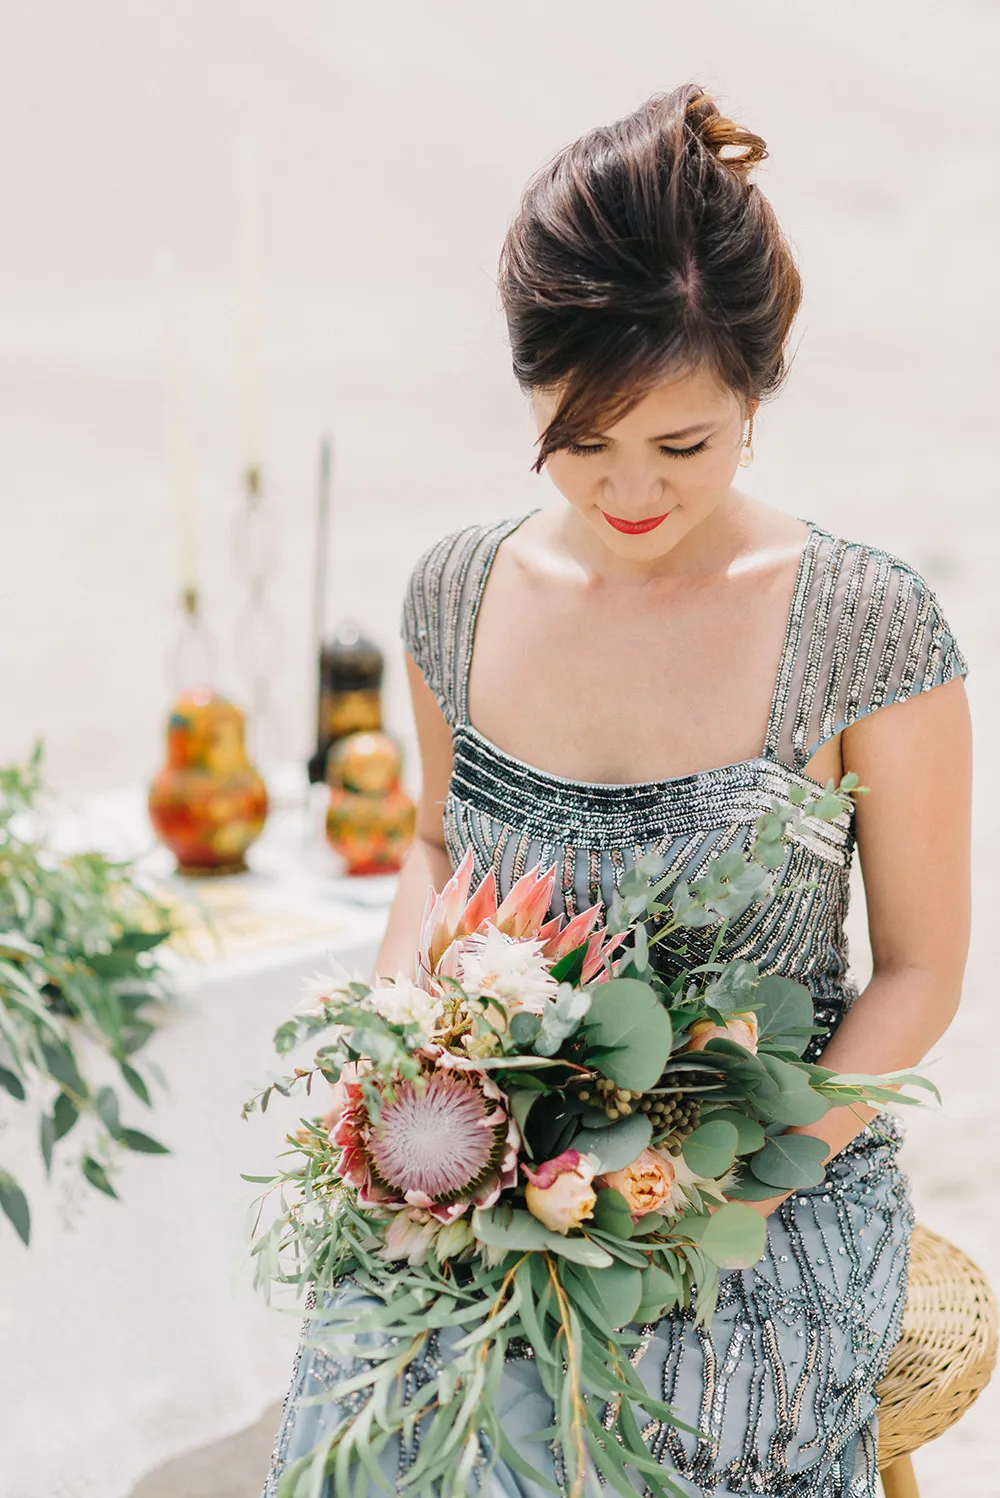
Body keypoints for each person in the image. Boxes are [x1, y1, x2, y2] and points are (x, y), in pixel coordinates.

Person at [261, 83, 972, 1498]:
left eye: (683, 447)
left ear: (756, 395)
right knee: (382, 1402)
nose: (629, 491)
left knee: (620, 1431)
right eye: (580, 443)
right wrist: (419, 1065)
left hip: (769, 1187)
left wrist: (734, 1180)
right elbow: (432, 840)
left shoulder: (865, 624)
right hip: (503, 1160)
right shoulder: (459, 593)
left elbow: (922, 967)